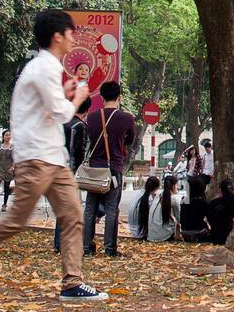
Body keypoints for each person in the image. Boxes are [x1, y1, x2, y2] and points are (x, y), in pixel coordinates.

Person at [0, 9, 108, 301]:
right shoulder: (43, 68)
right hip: (36, 159)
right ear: (57, 37)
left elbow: (46, 109)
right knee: (15, 221)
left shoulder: (47, 69)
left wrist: (66, 92)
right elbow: (61, 113)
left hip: (54, 159)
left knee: (73, 216)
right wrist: (78, 97)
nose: (73, 39)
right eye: (70, 33)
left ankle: (72, 283)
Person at [82, 81, 135, 258]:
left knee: (90, 208)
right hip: (114, 168)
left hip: (94, 170)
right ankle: (110, 248)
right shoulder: (126, 118)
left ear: (102, 97)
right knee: (112, 209)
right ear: (119, 97)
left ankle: (87, 247)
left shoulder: (92, 117)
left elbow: (89, 137)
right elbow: (129, 141)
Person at [53, 98, 91, 253]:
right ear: (87, 110)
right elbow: (78, 151)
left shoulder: (61, 123)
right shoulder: (79, 126)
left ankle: (59, 242)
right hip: (69, 171)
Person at [147, 175, 181, 242]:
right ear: (174, 186)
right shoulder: (174, 199)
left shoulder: (158, 196)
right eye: (177, 185)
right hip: (164, 236)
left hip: (151, 235)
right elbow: (179, 218)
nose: (178, 187)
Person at [179, 176, 213, 242]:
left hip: (185, 231)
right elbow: (210, 217)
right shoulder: (203, 202)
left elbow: (182, 218)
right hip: (199, 230)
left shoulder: (184, 200)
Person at [207, 178, 234, 244]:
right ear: (233, 189)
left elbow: (209, 219)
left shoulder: (213, 202)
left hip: (215, 236)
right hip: (228, 236)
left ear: (220, 190)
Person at [130, 175, 161, 240]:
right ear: (156, 188)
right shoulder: (149, 199)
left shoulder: (139, 193)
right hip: (141, 232)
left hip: (133, 230)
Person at [0, 130, 14, 211]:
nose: (8, 137)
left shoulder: (12, 147)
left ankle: (4, 205)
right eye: (6, 135)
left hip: (8, 169)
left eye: (9, 135)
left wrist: (12, 168)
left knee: (7, 187)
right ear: (3, 136)